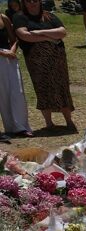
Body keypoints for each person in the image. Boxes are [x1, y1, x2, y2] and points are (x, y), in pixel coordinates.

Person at [11, 0, 73, 132]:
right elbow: (25, 35)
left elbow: (62, 32)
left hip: (57, 58)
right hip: (36, 60)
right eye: (28, 1)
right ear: (24, 3)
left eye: (35, 0)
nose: (32, 3)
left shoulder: (49, 15)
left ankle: (69, 121)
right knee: (42, 87)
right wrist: (50, 37)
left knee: (62, 86)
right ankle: (49, 123)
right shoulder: (19, 17)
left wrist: (39, 33)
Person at [0, 8, 31, 141]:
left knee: (17, 92)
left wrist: (12, 50)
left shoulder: (3, 18)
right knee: (2, 95)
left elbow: (14, 39)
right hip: (2, 54)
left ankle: (21, 127)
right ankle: (10, 127)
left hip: (8, 58)